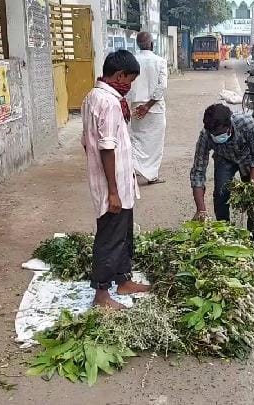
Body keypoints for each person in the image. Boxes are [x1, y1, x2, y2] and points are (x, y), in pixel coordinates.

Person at [81, 50, 150, 309]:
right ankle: (101, 294)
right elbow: (106, 146)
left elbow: (87, 141)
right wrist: (112, 191)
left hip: (119, 181)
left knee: (123, 234)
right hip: (114, 185)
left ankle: (123, 280)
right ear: (119, 75)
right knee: (110, 237)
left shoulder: (93, 96)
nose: (129, 86)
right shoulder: (108, 102)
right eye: (129, 80)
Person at [190, 104, 254, 248]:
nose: (219, 137)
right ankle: (225, 234)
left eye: (221, 133)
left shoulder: (247, 125)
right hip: (224, 158)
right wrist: (201, 209)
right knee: (221, 193)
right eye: (215, 135)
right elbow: (198, 171)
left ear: (229, 125)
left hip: (248, 159)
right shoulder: (206, 136)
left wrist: (253, 185)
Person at [128, 32, 169, 185]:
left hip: (136, 107)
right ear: (152, 44)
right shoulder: (160, 61)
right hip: (155, 109)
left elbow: (128, 85)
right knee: (154, 142)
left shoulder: (132, 60)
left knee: (136, 139)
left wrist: (140, 105)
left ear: (138, 44)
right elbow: (162, 86)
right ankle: (151, 175)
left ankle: (135, 169)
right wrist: (148, 105)